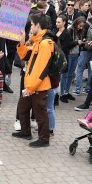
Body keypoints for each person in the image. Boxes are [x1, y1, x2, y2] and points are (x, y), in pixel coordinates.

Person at [14, 15, 55, 147]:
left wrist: (31, 88)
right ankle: (26, 132)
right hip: (31, 85)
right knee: (22, 108)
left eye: (32, 25)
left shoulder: (45, 43)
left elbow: (41, 69)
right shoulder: (38, 40)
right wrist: (22, 40)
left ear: (38, 25)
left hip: (37, 87)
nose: (31, 27)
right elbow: (25, 55)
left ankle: (44, 139)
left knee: (40, 114)